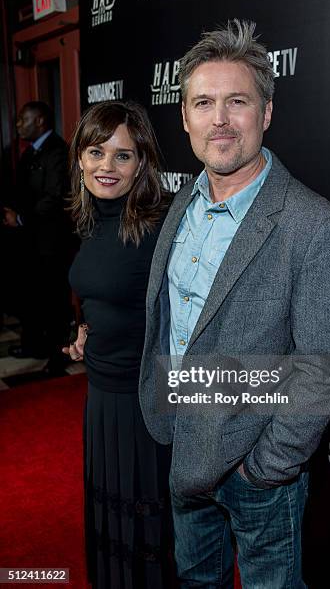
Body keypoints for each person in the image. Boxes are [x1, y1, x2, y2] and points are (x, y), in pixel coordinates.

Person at [139, 19, 330, 588]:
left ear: (265, 114)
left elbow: (325, 366)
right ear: (184, 116)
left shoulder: (314, 227)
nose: (219, 119)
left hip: (256, 471)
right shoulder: (180, 204)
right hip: (182, 448)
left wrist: (265, 467)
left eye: (237, 101)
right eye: (203, 102)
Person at [63, 101, 174, 589]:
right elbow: (105, 289)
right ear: (80, 158)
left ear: (142, 163)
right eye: (95, 152)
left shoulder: (162, 227)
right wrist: (87, 329)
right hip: (100, 395)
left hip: (141, 403)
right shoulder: (91, 218)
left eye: (122, 156)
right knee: (109, 518)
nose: (106, 167)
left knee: (144, 525)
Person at [3, 101, 72, 375]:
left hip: (51, 243)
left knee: (54, 299)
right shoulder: (30, 152)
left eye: (23, 119)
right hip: (30, 243)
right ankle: (35, 345)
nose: (19, 125)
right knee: (33, 297)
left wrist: (20, 218)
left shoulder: (56, 151)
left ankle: (57, 355)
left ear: (40, 120)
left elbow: (54, 198)